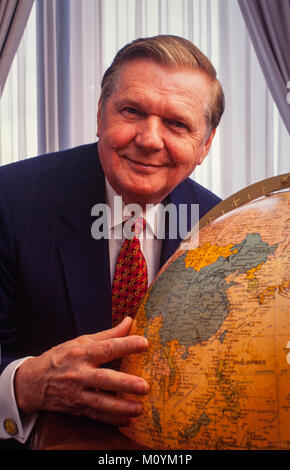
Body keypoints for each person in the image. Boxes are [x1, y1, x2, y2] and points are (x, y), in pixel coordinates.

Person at [0, 35, 224, 448]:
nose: (150, 139)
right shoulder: (10, 201)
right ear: (100, 116)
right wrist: (25, 385)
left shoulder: (223, 229)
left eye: (177, 124)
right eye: (132, 111)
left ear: (205, 145)